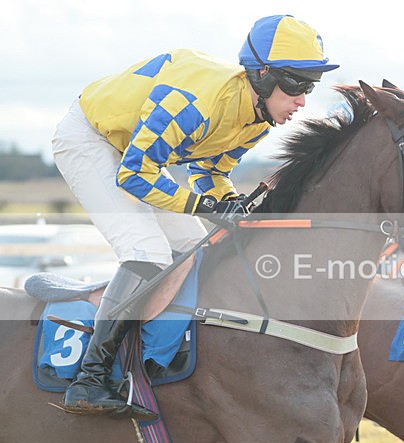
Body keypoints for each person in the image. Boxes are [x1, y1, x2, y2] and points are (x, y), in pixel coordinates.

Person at [52, 14, 338, 419]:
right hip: (91, 138)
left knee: (190, 246)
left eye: (310, 86)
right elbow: (133, 175)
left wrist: (231, 204)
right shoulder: (193, 104)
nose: (302, 100)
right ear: (260, 75)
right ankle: (90, 379)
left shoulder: (257, 120)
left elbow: (210, 172)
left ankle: (151, 357)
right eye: (295, 84)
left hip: (135, 150)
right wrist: (207, 206)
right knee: (147, 250)